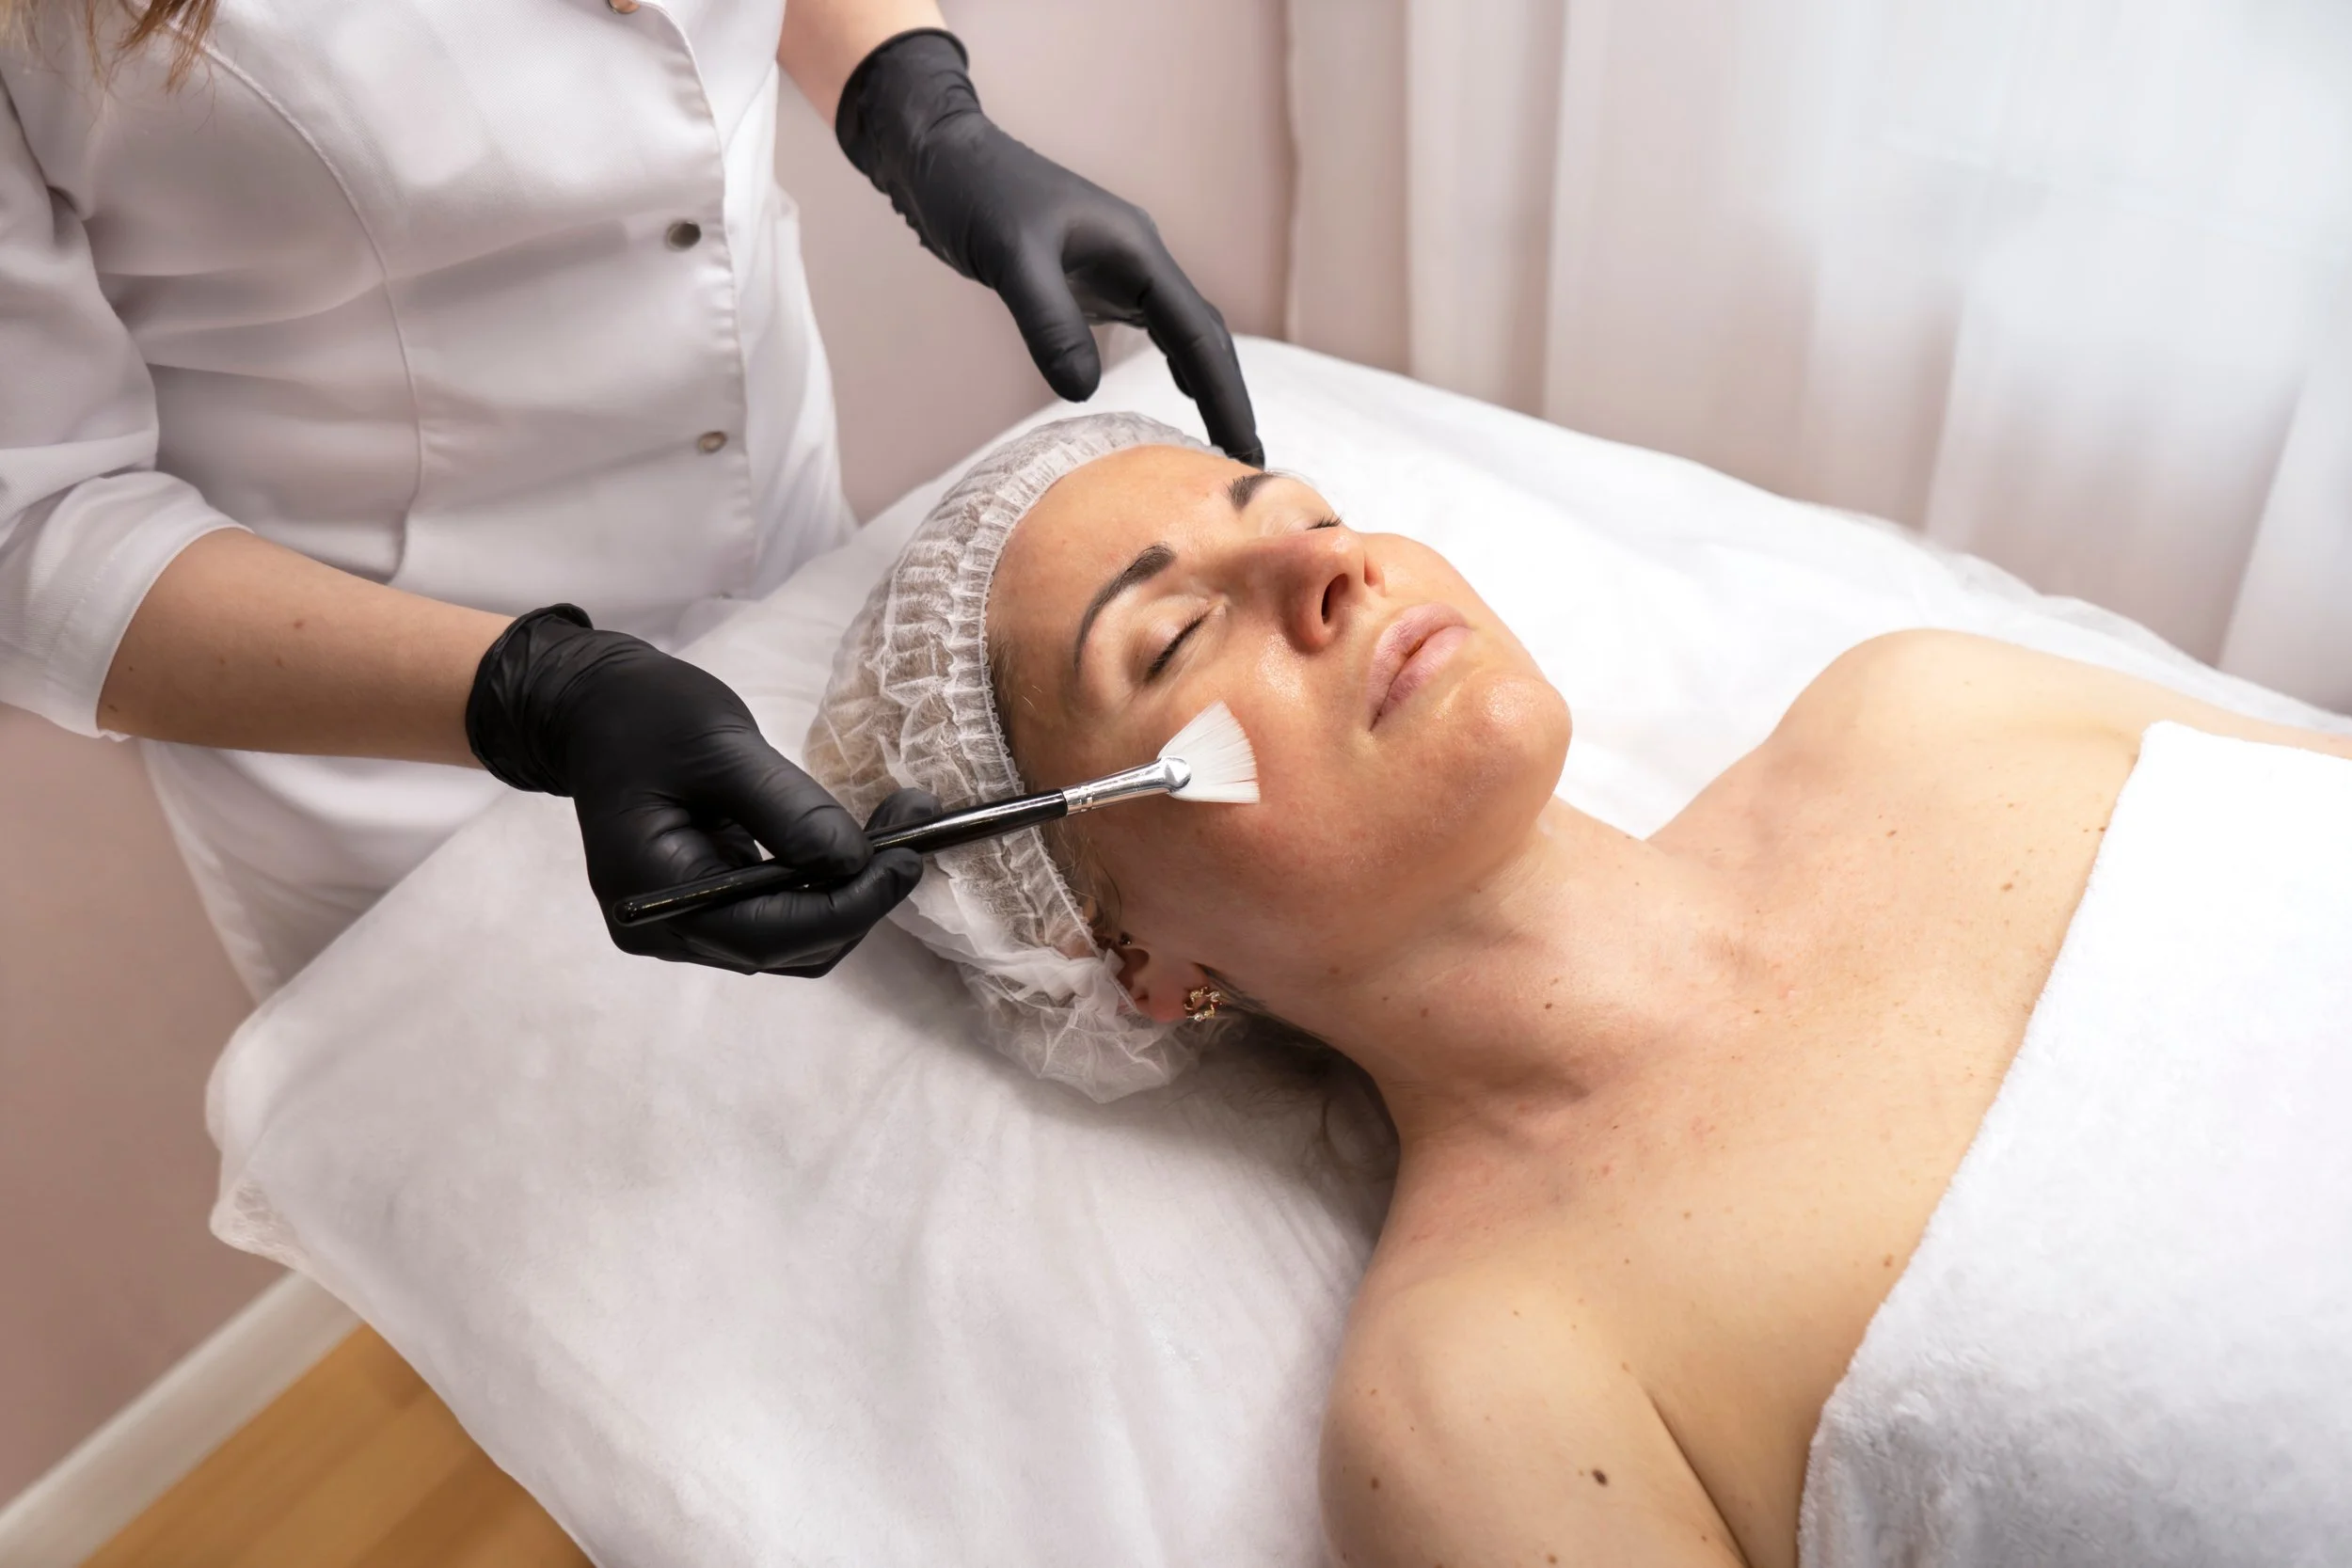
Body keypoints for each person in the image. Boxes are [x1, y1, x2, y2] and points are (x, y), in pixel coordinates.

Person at [807, 413, 2352, 1567]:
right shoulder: (1483, 1395)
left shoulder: (1924, 709)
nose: (1321, 561)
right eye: (1178, 633)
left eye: (1303, 509)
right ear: (1120, 950)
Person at [0, 0, 1257, 996]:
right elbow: (28, 530)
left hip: (792, 560)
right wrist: (540, 696)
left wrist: (912, 101)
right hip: (401, 767)